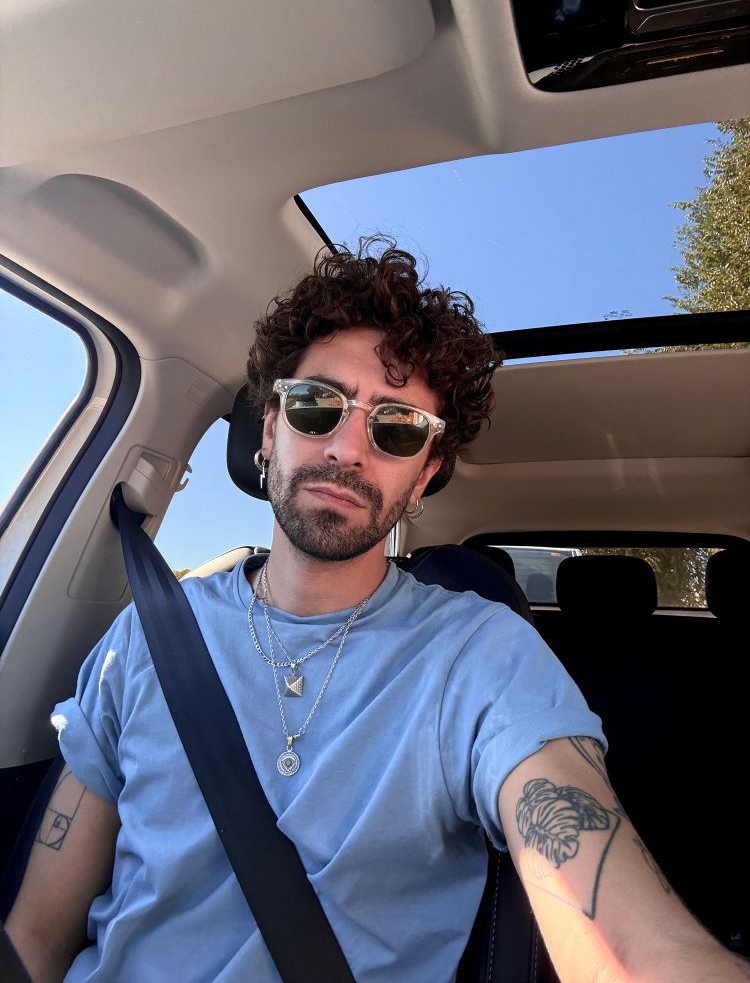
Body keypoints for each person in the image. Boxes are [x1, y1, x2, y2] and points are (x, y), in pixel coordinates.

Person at [6, 239, 746, 982]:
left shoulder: (481, 656)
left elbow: (625, 942)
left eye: (396, 428)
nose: (347, 449)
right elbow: (33, 937)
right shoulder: (146, 637)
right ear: (271, 430)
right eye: (315, 406)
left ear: (424, 475)